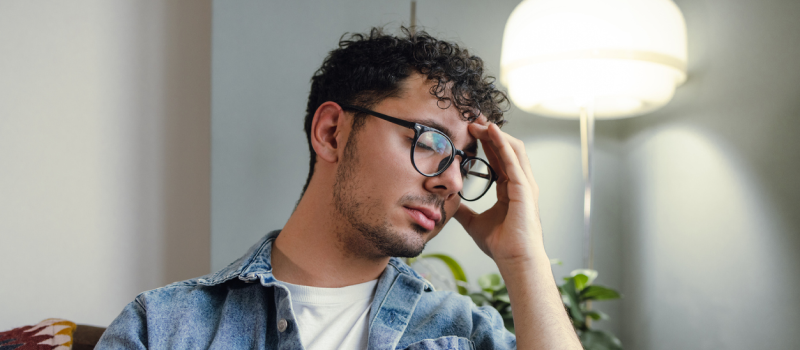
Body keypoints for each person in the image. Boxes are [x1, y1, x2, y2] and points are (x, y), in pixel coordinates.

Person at [96, 27, 582, 350]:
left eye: (466, 163)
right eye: (431, 140)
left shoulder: (465, 333)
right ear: (332, 132)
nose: (450, 180)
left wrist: (524, 258)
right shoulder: (159, 328)